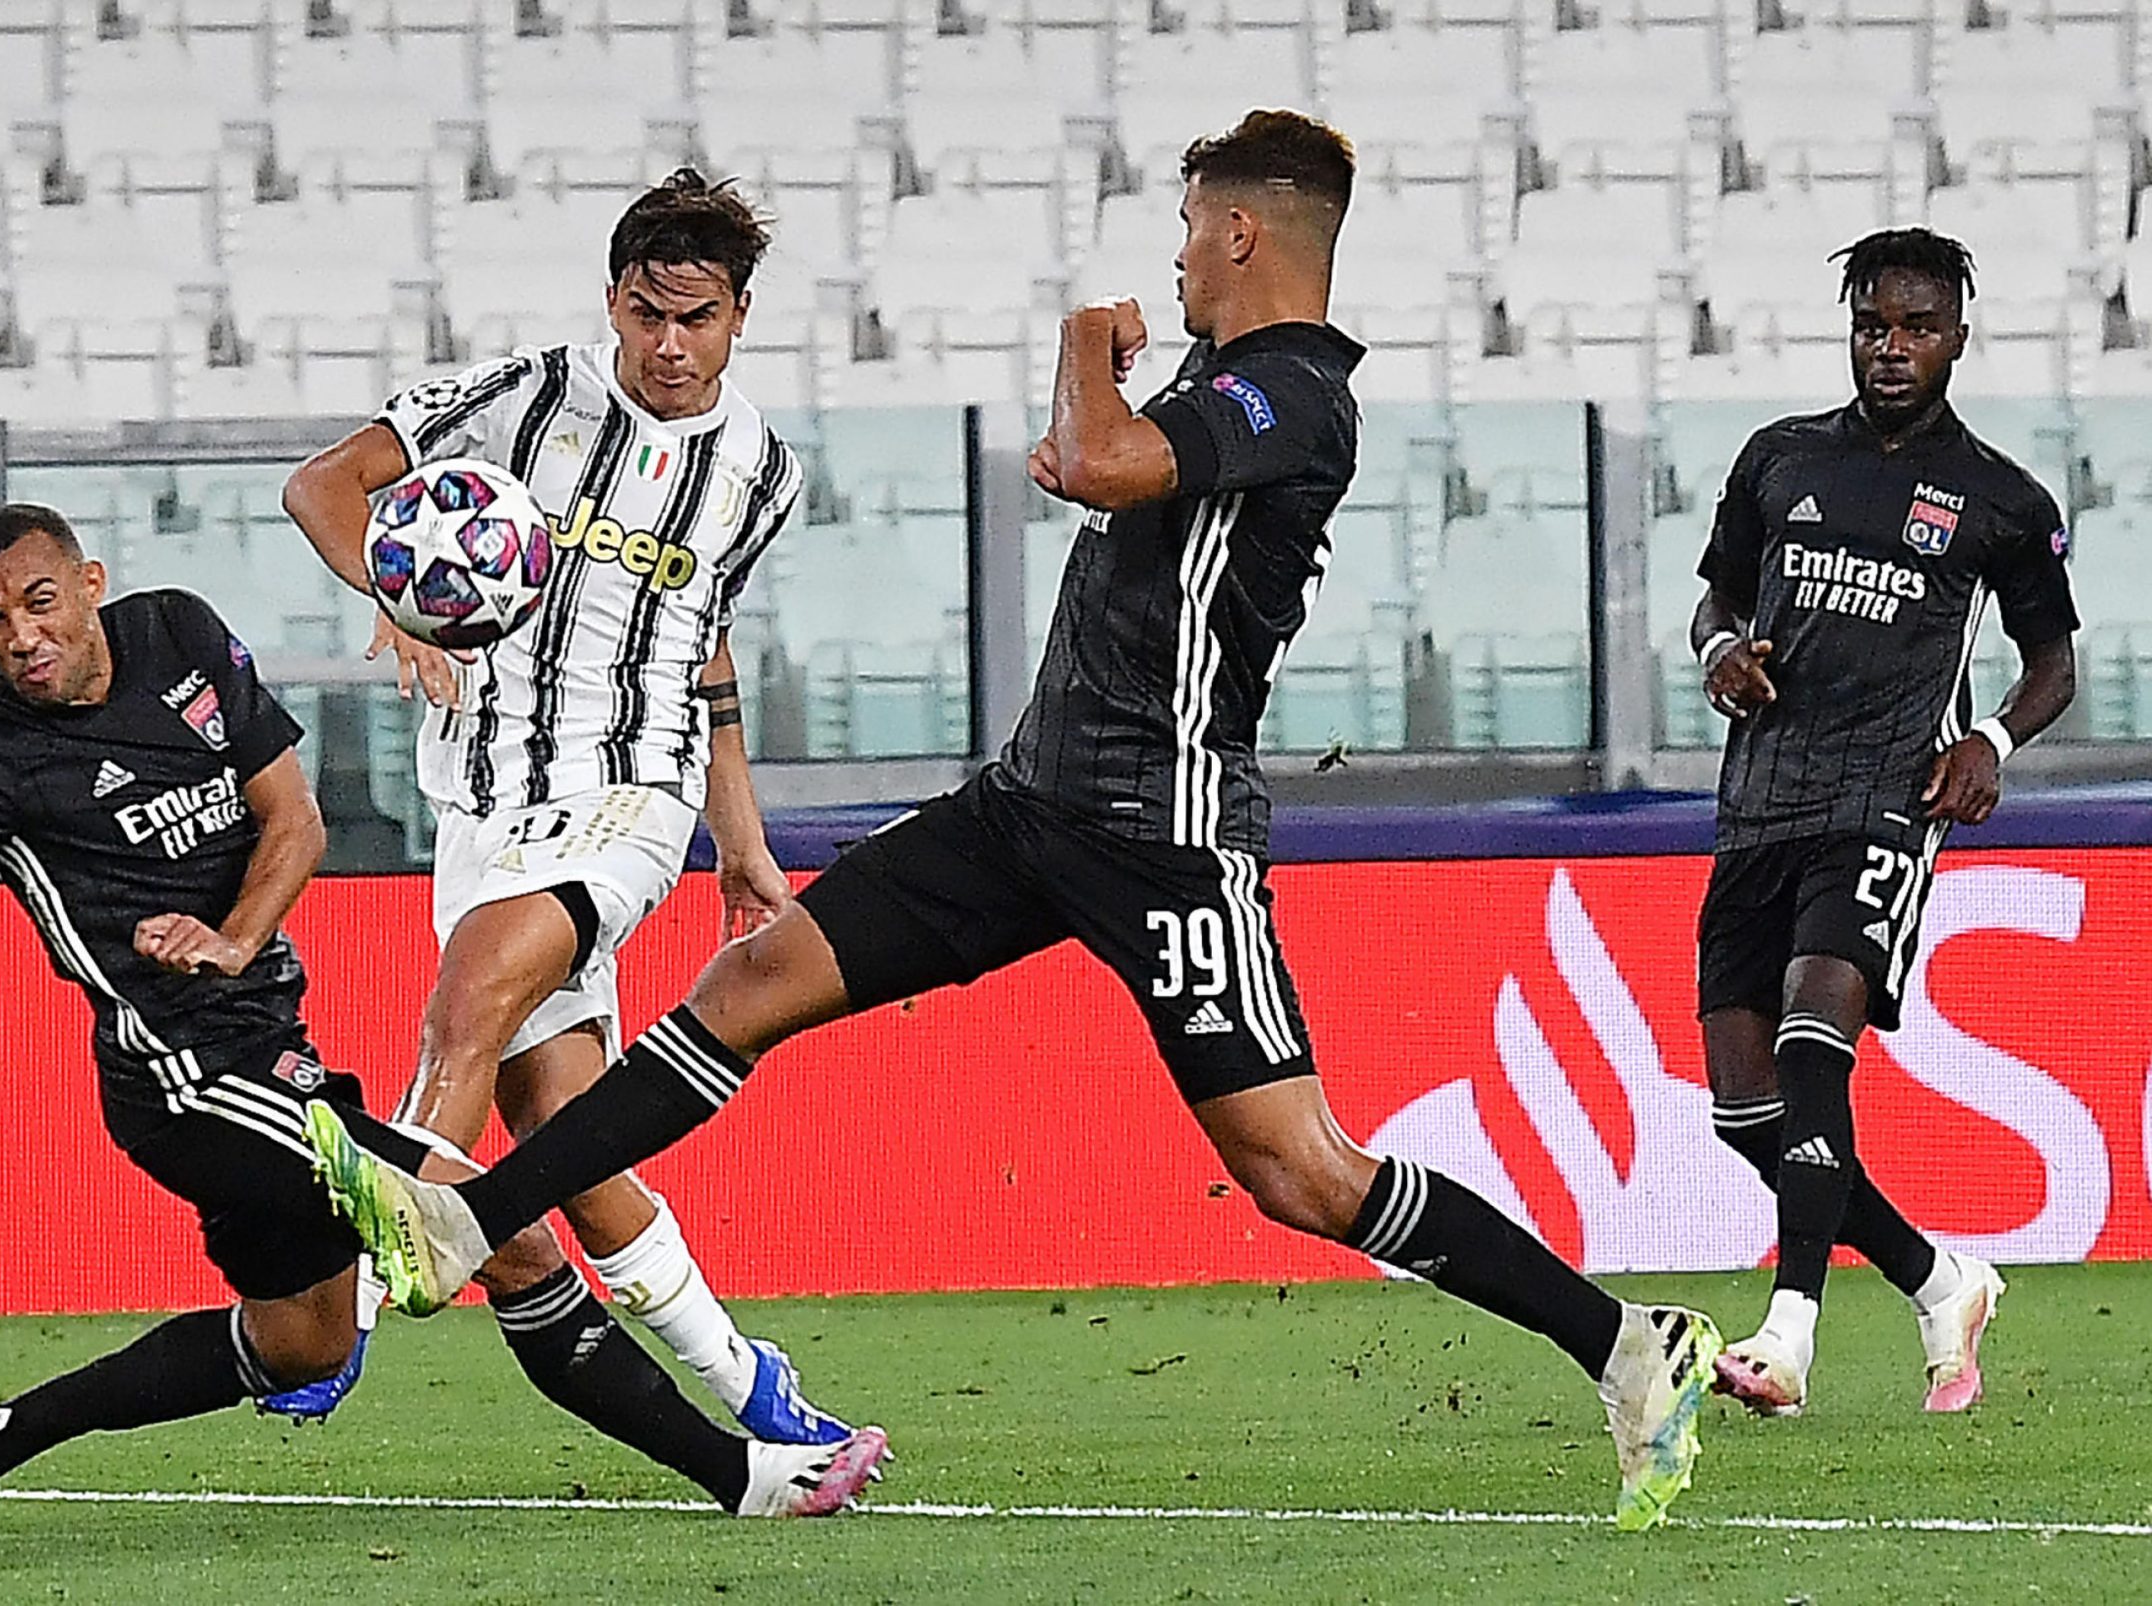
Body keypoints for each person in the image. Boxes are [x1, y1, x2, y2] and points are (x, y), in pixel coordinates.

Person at [303, 110, 1725, 1532]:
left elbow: (1093, 462)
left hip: (1163, 832)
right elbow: (1097, 466)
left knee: (1302, 1172)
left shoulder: (1292, 390)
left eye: (1187, 230)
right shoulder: (1222, 373)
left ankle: (1621, 1341)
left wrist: (1079, 354)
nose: (1175, 259)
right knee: (748, 982)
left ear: (1239, 232)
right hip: (1030, 800)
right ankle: (462, 1219)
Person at [0, 505, 887, 1534]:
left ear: (90, 583)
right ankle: (746, 1473)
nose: (19, 636)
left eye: (36, 602)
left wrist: (233, 937)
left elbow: (295, 822)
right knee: (498, 1230)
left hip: (273, 1052)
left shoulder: (177, 633)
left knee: (303, 1342)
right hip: (183, 1081)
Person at [280, 167, 848, 1444]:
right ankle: (748, 1382)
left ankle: (354, 1306)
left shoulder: (760, 474)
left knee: (469, 996)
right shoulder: (527, 393)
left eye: (695, 318)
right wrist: (389, 600)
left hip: (627, 795)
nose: (667, 343)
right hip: (481, 803)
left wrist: (736, 839)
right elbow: (321, 485)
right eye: (646, 312)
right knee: (565, 1137)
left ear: (738, 317)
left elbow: (700, 655)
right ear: (613, 301)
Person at [1690, 227, 2078, 1416]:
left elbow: (2052, 662)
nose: (1891, 347)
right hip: (1760, 801)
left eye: (1915, 327)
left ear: (1956, 335)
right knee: (1748, 1111)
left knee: (1818, 1031)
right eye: (1872, 325)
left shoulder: (2001, 499)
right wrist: (1721, 654)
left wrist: (1991, 743)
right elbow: (1719, 597)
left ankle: (1790, 1333)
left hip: (1884, 801)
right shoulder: (1777, 459)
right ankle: (1937, 1277)